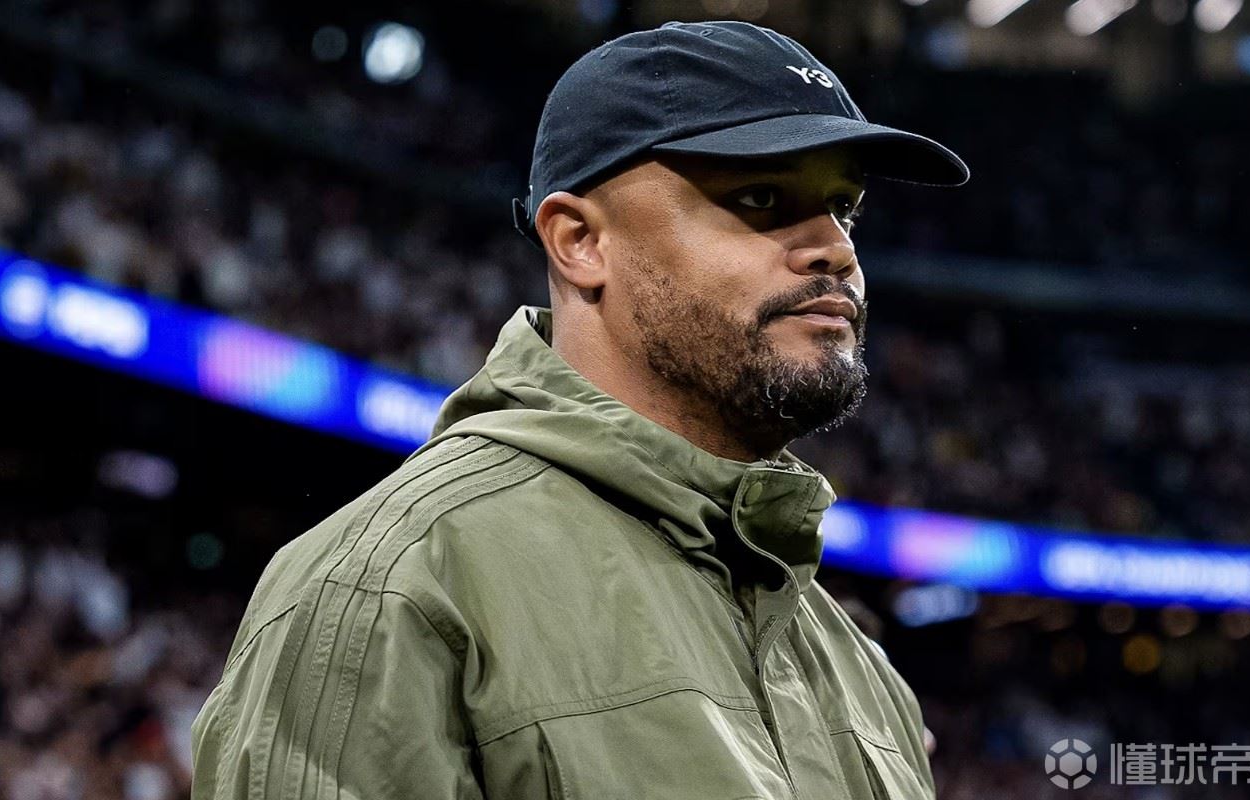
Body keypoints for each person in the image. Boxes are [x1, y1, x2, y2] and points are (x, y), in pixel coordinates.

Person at [190, 20, 968, 800]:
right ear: (580, 241)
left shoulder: (863, 677)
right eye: (760, 197)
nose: (836, 249)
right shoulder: (393, 587)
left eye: (843, 207)